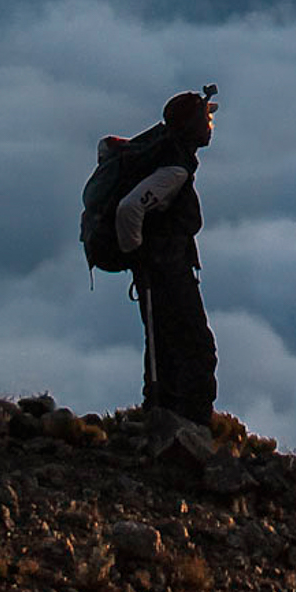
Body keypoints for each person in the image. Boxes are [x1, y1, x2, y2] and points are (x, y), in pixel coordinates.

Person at [114, 87, 218, 430]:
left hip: (158, 268)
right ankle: (190, 426)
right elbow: (129, 208)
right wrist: (139, 255)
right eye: (207, 118)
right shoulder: (174, 168)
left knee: (163, 344)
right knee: (196, 347)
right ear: (192, 127)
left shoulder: (164, 150)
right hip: (165, 269)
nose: (211, 123)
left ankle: (160, 414)